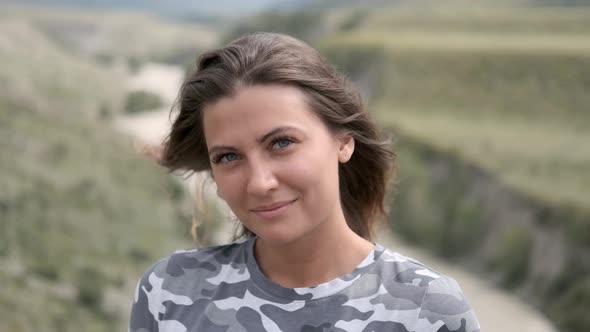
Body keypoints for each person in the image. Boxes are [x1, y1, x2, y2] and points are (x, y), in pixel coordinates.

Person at [129, 32, 480, 332]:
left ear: (343, 141)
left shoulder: (427, 310)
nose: (260, 183)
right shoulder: (170, 293)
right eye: (228, 157)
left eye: (281, 143)